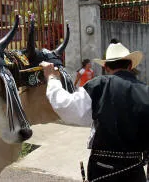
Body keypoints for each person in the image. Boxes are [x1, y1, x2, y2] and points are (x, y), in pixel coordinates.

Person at [40, 39, 149, 182]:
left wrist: (52, 78)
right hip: (135, 170)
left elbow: (65, 106)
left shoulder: (99, 86)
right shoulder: (146, 92)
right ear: (130, 65)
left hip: (103, 170)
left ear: (106, 67)